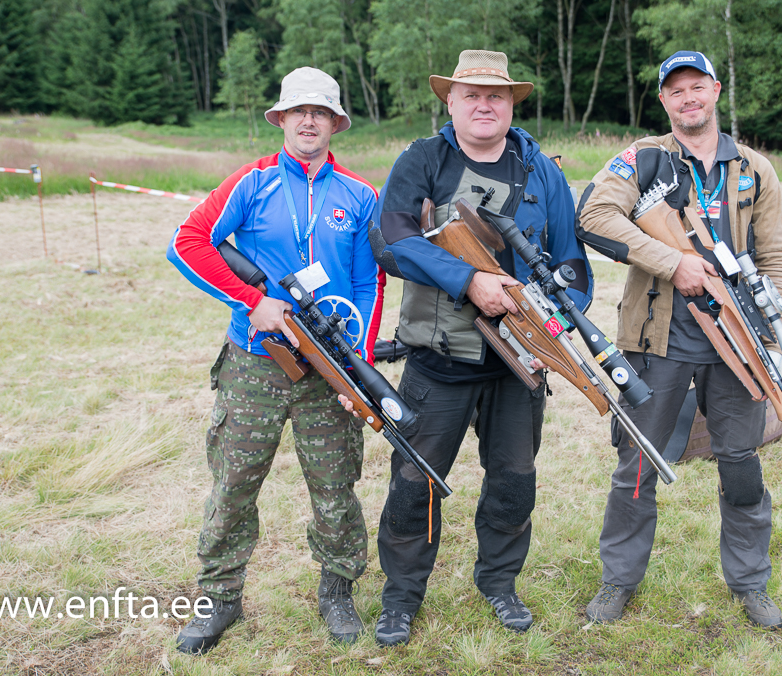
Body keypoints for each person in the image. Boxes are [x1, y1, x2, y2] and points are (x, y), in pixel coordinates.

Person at [368, 49, 592, 646]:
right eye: (472, 94)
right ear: (451, 101)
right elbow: (395, 234)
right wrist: (468, 279)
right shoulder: (423, 159)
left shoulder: (541, 170)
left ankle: (499, 583)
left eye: (496, 95)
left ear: (512, 103)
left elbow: (572, 261)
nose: (484, 104)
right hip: (437, 360)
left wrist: (558, 320)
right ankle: (401, 598)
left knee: (515, 482)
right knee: (415, 485)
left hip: (520, 363)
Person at [166, 67, 385, 652]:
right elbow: (187, 243)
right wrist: (251, 300)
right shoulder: (251, 181)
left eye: (321, 112)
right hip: (254, 363)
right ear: (282, 119)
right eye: (299, 111)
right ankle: (219, 599)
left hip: (328, 366)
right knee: (233, 483)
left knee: (336, 487)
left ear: (336, 123)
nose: (309, 121)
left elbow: (369, 284)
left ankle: (337, 591)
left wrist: (355, 368)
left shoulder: (361, 196)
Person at [575, 51, 782, 630]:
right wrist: (673, 262)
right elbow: (594, 215)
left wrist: (772, 320)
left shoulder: (754, 169)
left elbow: (775, 256)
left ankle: (750, 583)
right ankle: (619, 581)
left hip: (736, 339)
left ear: (715, 90)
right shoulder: (643, 159)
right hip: (657, 339)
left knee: (741, 460)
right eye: (677, 91)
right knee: (638, 464)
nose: (688, 98)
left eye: (697, 87)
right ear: (664, 101)